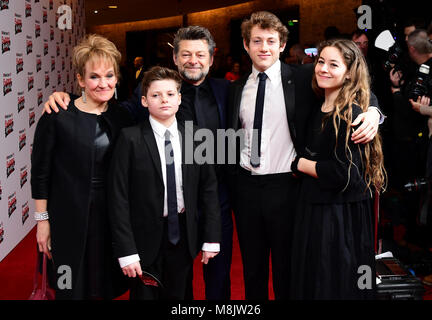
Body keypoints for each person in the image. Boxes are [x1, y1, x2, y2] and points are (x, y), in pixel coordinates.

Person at [42, 26, 234, 301]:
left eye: (200, 54)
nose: (194, 60)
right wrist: (70, 100)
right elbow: (106, 106)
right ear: (176, 59)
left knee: (215, 277)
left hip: (214, 198)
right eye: (186, 54)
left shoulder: (227, 89)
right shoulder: (148, 100)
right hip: (156, 215)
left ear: (211, 58)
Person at [226, 11, 382, 300]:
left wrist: (373, 111)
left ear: (282, 45)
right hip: (246, 189)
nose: (264, 47)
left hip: (288, 187)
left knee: (289, 271)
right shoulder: (234, 88)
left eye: (271, 41)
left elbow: (348, 78)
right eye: (256, 41)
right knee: (252, 271)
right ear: (246, 45)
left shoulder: (301, 76)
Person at [31, 34, 133, 300]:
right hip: (67, 218)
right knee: (68, 285)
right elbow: (40, 173)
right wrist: (42, 222)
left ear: (117, 78)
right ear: (80, 80)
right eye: (94, 77)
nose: (103, 84)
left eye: (109, 76)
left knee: (104, 284)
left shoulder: (123, 117)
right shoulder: (58, 116)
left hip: (110, 217)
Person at [107, 66, 221, 300]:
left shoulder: (196, 138)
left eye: (170, 94)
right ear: (144, 100)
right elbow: (118, 198)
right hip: (143, 240)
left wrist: (211, 236)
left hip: (182, 236)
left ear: (179, 98)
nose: (164, 100)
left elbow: (208, 190)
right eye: (156, 95)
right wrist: (126, 251)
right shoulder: (129, 139)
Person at [289, 38, 386, 299]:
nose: (323, 69)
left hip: (338, 218)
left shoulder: (352, 115)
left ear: (348, 74)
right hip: (313, 210)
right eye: (321, 62)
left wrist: (301, 164)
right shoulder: (317, 104)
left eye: (334, 64)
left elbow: (346, 175)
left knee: (332, 285)